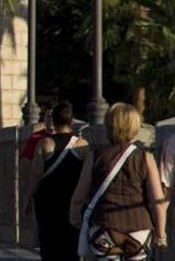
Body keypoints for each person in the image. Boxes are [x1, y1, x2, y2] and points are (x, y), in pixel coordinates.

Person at [70, 103, 168, 260]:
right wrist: (161, 233)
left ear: (109, 125)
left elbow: (80, 194)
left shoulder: (95, 156)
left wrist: (74, 216)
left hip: (104, 226)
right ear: (135, 127)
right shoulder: (145, 157)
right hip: (139, 228)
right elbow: (157, 201)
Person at [23, 102, 88, 261]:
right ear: (71, 122)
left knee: (49, 244)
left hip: (48, 203)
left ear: (54, 122)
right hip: (73, 200)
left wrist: (28, 198)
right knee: (72, 244)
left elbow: (35, 175)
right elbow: (88, 175)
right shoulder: (82, 144)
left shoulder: (45, 143)